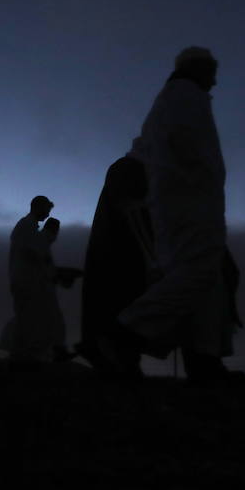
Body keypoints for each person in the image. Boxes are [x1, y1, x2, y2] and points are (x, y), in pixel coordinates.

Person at [115, 47, 240, 386]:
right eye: (211, 69)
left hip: (192, 199)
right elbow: (183, 146)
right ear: (197, 68)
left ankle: (204, 361)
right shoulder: (183, 96)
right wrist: (196, 183)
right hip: (187, 201)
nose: (215, 77)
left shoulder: (184, 96)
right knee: (195, 273)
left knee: (208, 281)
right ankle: (125, 333)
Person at [77, 148, 153, 378]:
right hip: (121, 259)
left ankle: (123, 358)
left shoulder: (128, 174)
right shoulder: (128, 173)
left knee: (122, 301)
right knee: (119, 302)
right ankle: (118, 357)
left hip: (124, 259)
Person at [1, 197, 69, 368]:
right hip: (26, 281)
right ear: (38, 207)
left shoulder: (29, 228)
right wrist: (54, 273)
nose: (47, 214)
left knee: (31, 318)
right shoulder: (25, 227)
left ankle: (27, 355)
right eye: (47, 210)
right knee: (28, 319)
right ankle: (23, 356)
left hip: (30, 281)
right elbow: (35, 254)